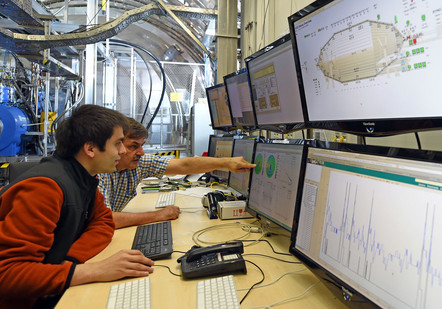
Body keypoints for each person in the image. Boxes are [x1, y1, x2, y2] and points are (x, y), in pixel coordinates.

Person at [0, 105, 155, 308]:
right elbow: (8, 275)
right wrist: (92, 271)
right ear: (90, 149)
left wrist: (70, 261)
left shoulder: (83, 178)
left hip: (49, 287)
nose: (123, 151)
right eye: (117, 143)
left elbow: (104, 221)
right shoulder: (45, 188)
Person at [98, 117, 255, 229]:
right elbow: (106, 219)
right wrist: (158, 215)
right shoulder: (101, 171)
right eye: (134, 146)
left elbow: (185, 165)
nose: (141, 152)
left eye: (142, 145)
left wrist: (227, 163)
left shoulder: (138, 164)